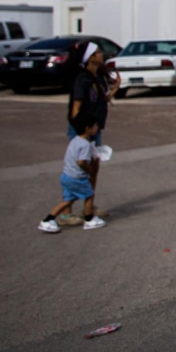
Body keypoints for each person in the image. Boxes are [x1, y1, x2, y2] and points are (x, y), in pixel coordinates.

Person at [39, 43, 110, 232]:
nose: (101, 54)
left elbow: (101, 99)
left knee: (94, 167)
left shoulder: (97, 76)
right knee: (80, 169)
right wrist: (83, 132)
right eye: (97, 52)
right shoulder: (82, 79)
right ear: (89, 58)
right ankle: (68, 214)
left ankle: (89, 207)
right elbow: (75, 110)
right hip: (83, 130)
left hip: (92, 129)